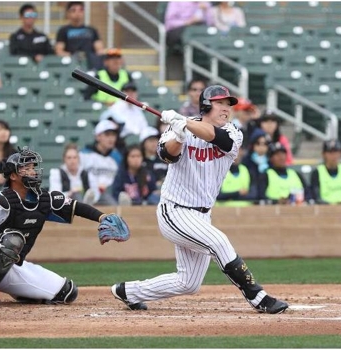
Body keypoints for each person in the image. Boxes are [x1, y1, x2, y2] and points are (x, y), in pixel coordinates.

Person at [110, 85, 288, 314]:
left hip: (202, 215)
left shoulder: (234, 132)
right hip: (174, 211)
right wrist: (179, 136)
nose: (226, 108)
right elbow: (167, 155)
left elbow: (218, 138)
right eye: (220, 103)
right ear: (206, 105)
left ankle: (129, 292)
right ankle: (258, 296)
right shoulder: (178, 127)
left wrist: (184, 122)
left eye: (228, 104)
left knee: (189, 283)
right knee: (219, 242)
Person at [0, 146, 131, 308]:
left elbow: (75, 206)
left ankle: (23, 293)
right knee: (13, 238)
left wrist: (103, 217)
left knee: (67, 292)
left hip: (13, 264)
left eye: (33, 167)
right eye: (26, 168)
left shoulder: (43, 199)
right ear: (13, 175)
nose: (33, 171)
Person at [79, 120, 122, 206]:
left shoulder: (117, 157)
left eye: (113, 135)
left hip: (110, 195)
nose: (111, 139)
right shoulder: (84, 154)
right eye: (107, 135)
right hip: (87, 194)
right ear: (97, 136)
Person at [54, 1, 105, 70]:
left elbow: (100, 50)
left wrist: (92, 59)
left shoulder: (92, 30)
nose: (77, 13)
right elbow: (59, 51)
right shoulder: (63, 31)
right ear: (68, 13)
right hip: (70, 65)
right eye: (74, 10)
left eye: (81, 10)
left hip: (90, 64)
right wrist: (72, 57)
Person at [310, 140, 341, 205]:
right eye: (330, 152)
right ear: (324, 154)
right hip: (325, 209)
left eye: (336, 152)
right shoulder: (317, 173)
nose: (334, 156)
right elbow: (316, 196)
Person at [140, 126, 168, 191]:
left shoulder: (164, 159)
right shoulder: (140, 161)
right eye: (151, 140)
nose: (154, 143)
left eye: (156, 140)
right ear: (143, 143)